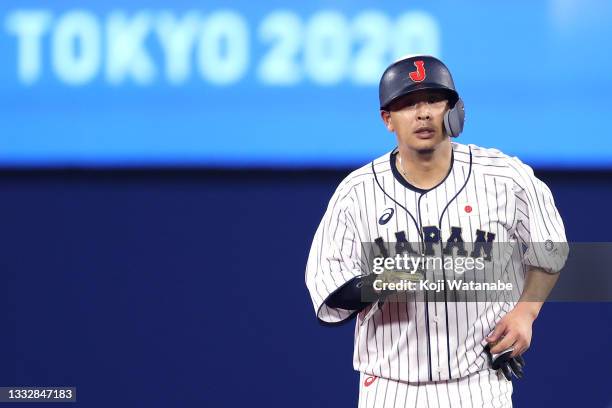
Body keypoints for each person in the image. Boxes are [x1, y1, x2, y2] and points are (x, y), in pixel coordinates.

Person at [305, 55, 568, 407]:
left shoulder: (506, 177)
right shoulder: (357, 192)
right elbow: (328, 290)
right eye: (408, 104)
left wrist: (526, 313)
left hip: (479, 385)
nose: (423, 112)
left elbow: (551, 249)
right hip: (390, 387)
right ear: (388, 120)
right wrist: (391, 278)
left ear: (455, 110)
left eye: (433, 99)